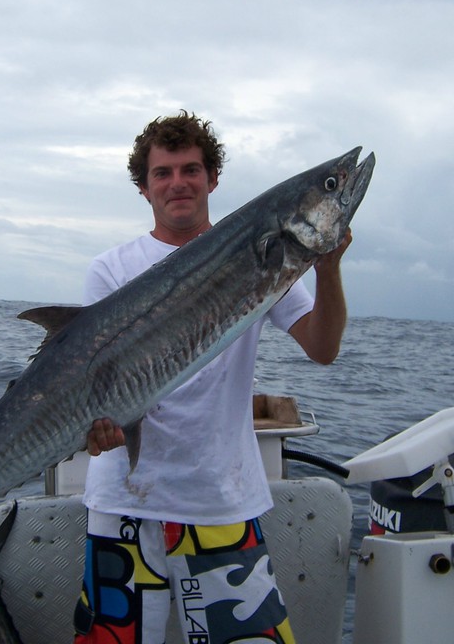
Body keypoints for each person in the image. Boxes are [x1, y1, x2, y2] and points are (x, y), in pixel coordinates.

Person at [73, 111, 351, 644]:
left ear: (212, 179)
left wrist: (328, 269)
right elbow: (90, 381)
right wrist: (96, 427)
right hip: (123, 502)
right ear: (144, 186)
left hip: (220, 498)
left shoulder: (266, 255)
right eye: (163, 172)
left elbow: (322, 347)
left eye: (191, 169)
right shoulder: (111, 268)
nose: (178, 182)